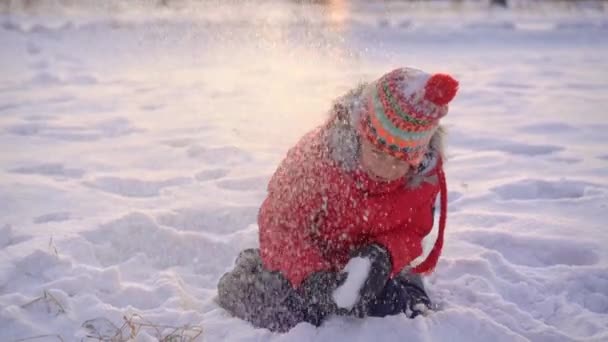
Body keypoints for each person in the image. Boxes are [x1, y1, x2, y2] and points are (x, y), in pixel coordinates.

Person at [217, 67, 459, 332]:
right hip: (310, 260)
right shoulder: (317, 159)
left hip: (368, 270)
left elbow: (411, 231)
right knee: (293, 313)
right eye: (378, 153)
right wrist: (312, 277)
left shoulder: (421, 179)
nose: (386, 168)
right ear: (360, 134)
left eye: (400, 160)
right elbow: (281, 223)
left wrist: (385, 255)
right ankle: (249, 278)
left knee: (401, 308)